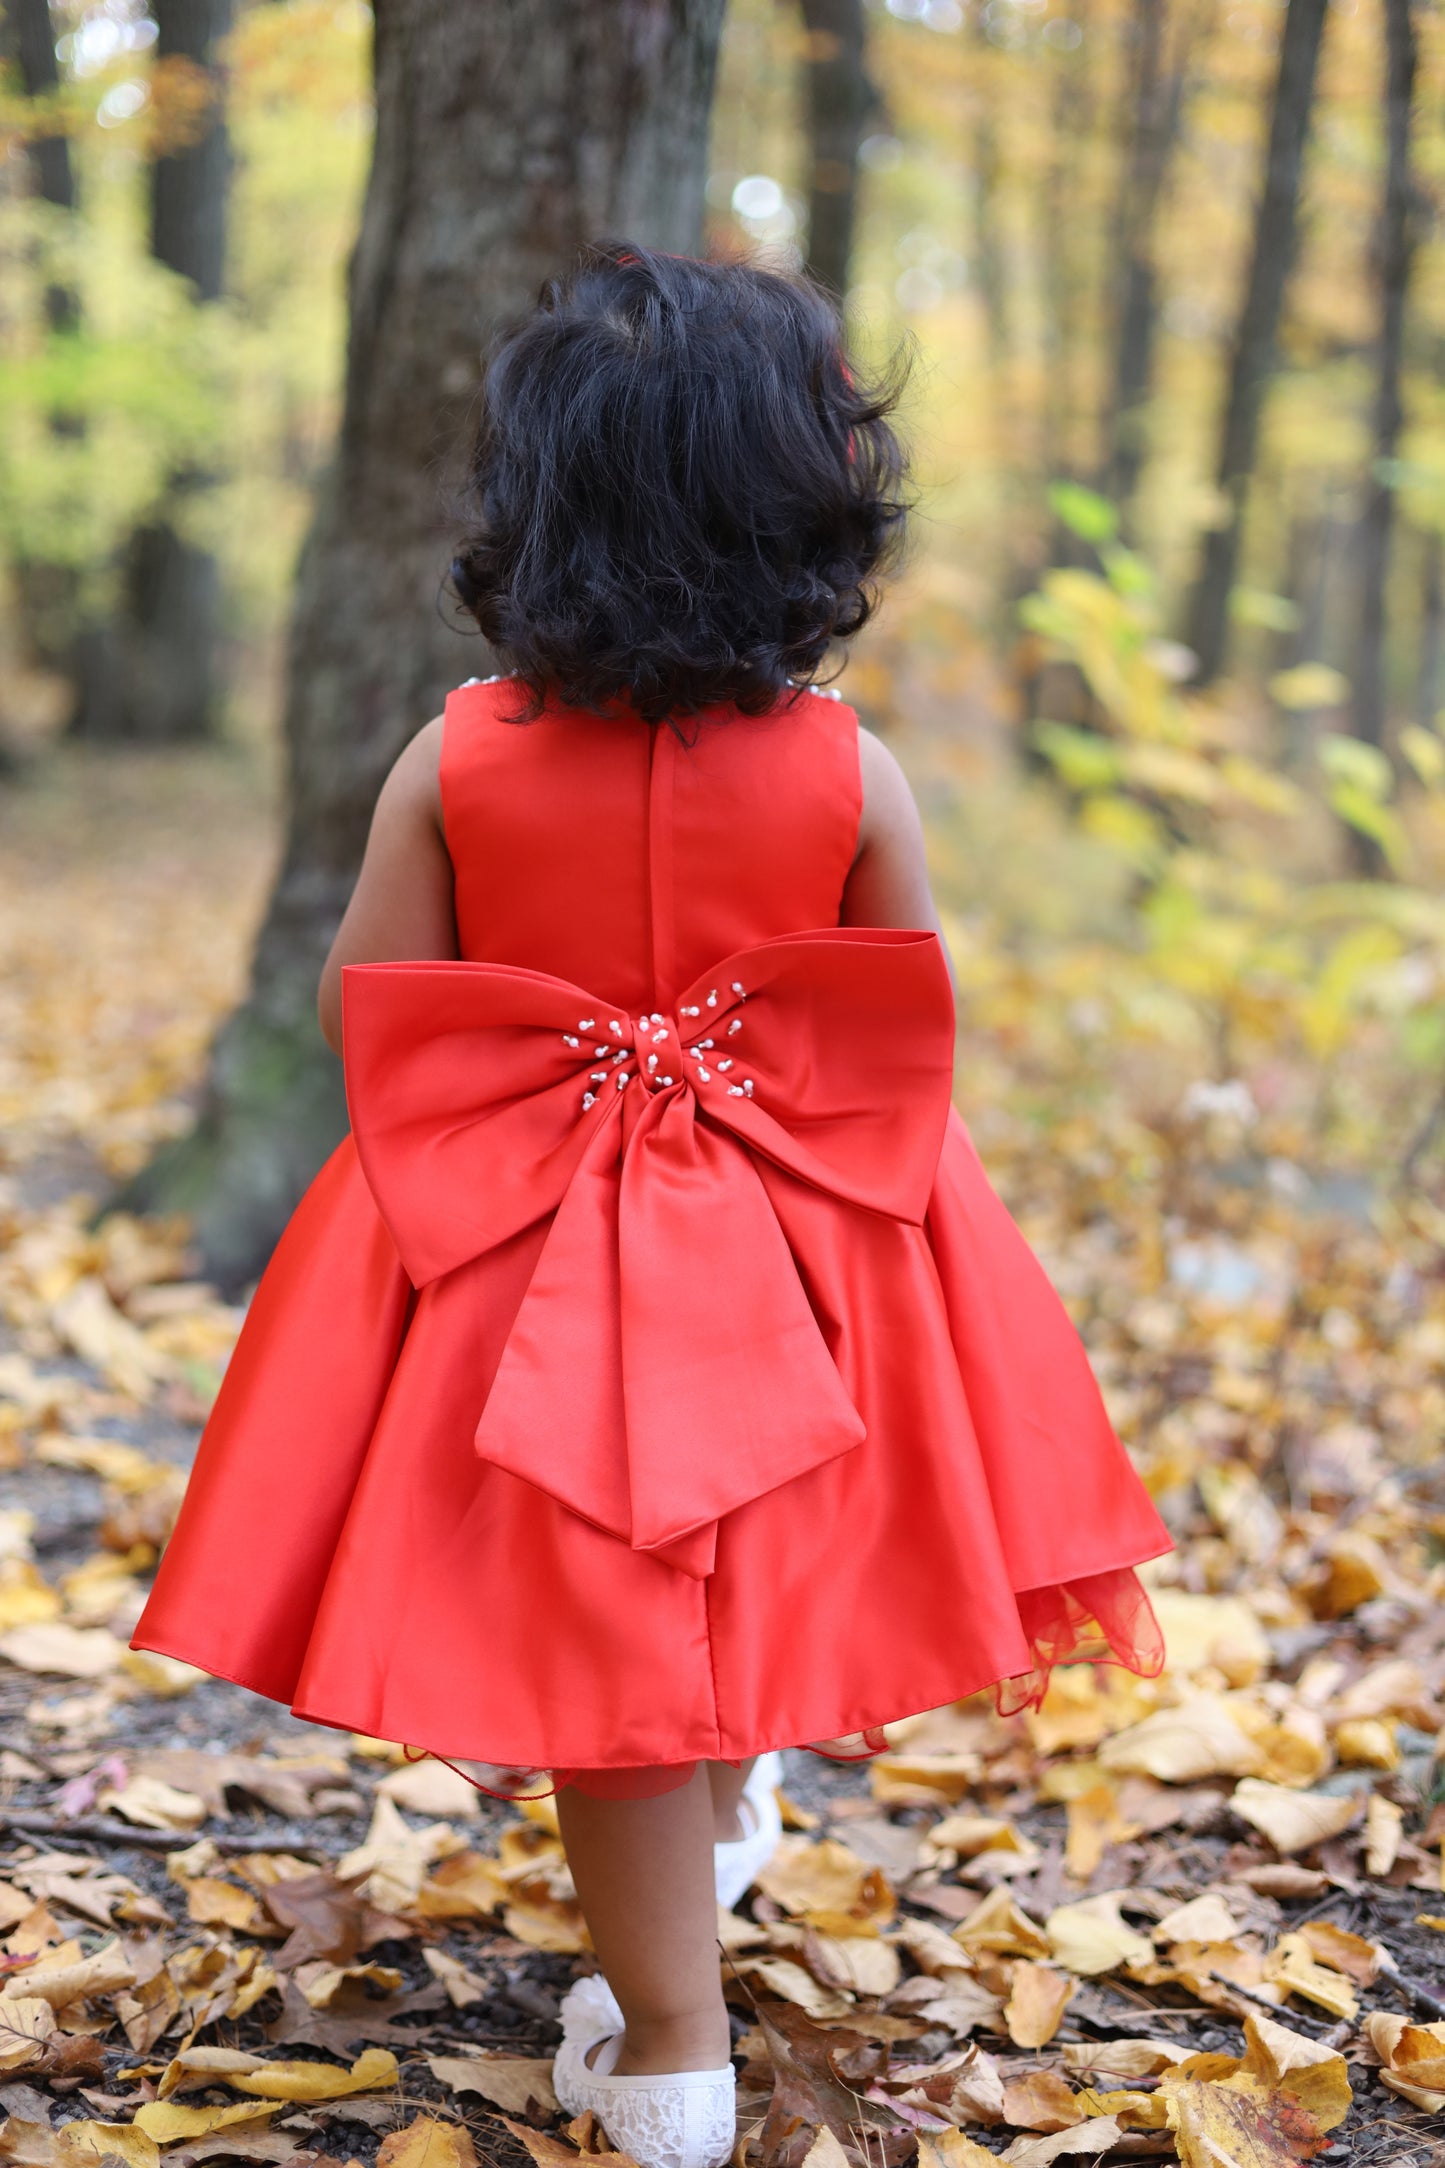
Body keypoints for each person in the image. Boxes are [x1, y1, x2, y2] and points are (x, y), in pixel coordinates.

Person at [132, 245, 1171, 2168]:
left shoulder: (446, 759)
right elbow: (894, 1007)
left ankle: (675, 2048)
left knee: (604, 1613)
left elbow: (388, 1005)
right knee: (738, 1541)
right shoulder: (851, 769)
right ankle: (698, 1901)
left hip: (512, 1237)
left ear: (536, 508)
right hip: (797, 1219)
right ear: (805, 512)